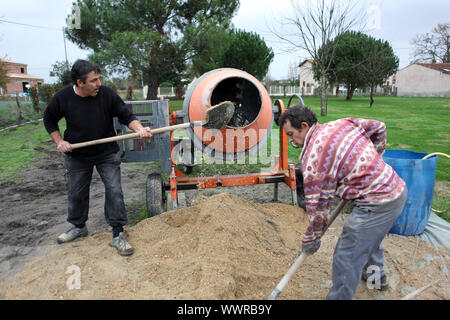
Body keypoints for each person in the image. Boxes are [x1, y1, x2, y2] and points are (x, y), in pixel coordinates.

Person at [279, 105, 407, 300]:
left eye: (291, 134)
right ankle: (376, 280)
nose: (290, 140)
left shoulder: (314, 157)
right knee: (369, 239)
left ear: (304, 126)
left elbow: (319, 210)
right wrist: (375, 159)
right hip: (396, 190)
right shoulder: (340, 124)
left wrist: (311, 241)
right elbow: (379, 127)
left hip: (377, 202)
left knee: (347, 255)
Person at [43, 59, 153, 256]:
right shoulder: (63, 98)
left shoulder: (106, 94)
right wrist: (59, 142)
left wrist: (139, 129)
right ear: (79, 83)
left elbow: (126, 115)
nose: (98, 84)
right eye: (93, 81)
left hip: (106, 153)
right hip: (76, 155)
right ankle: (78, 226)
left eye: (99, 79)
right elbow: (49, 119)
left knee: (114, 191)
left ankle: (118, 234)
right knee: (75, 192)